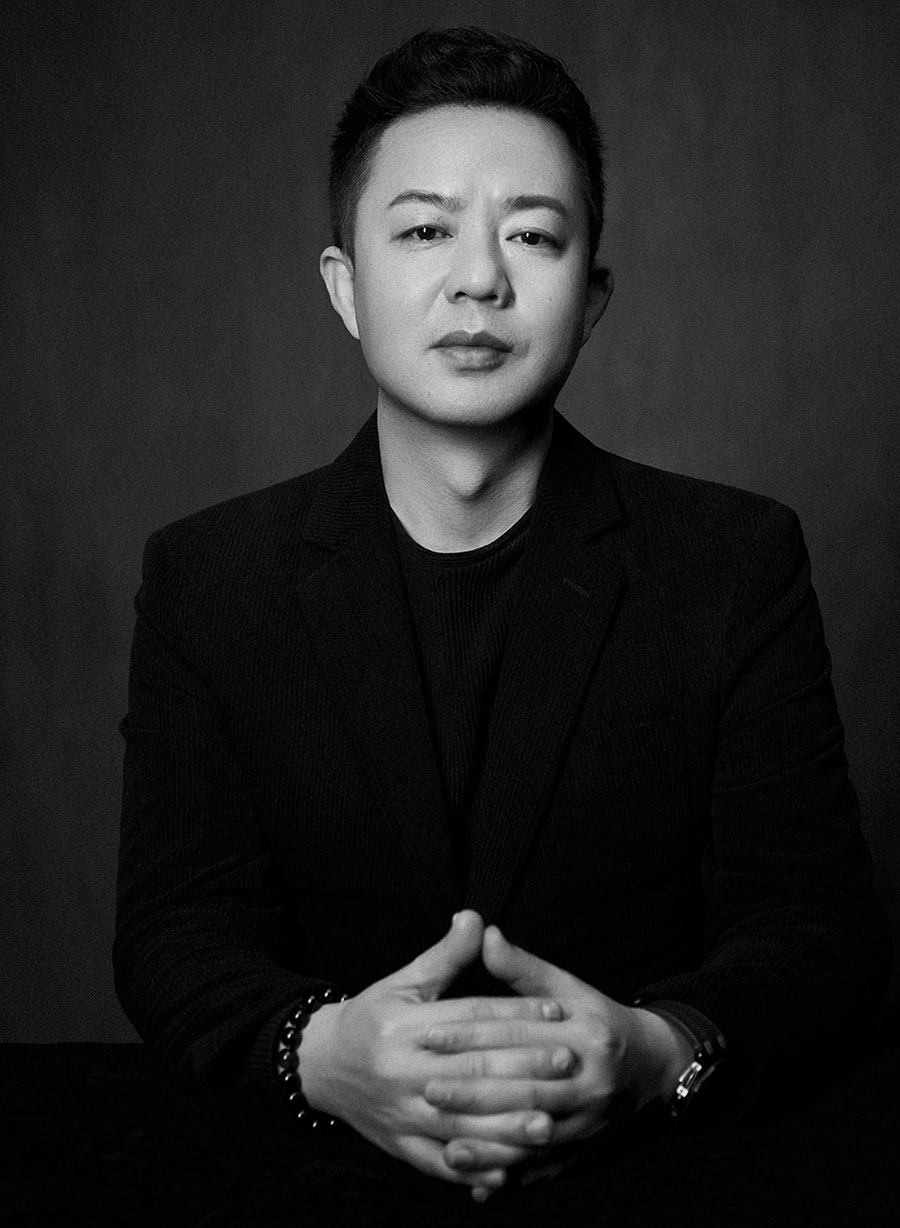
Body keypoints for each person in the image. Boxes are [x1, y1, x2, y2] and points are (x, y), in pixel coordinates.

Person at [114, 27, 890, 1203]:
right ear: (345, 287)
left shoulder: (732, 560)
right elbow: (176, 925)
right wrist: (321, 1053)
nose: (480, 278)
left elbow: (817, 926)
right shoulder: (210, 577)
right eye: (425, 230)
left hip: (656, 1180)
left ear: (592, 298)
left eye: (533, 234)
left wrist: (657, 1052)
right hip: (310, 1178)